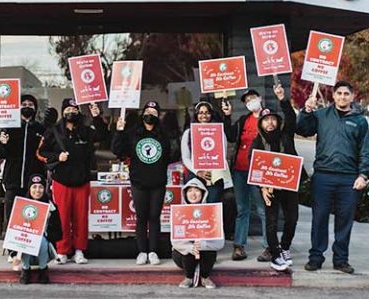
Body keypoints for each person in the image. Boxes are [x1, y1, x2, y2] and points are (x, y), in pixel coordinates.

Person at [296, 80, 369, 274]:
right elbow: (302, 130)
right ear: (333, 95)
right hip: (323, 176)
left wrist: (363, 175)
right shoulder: (321, 116)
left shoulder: (360, 121)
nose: (342, 97)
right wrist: (306, 111)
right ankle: (315, 257)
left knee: (344, 220)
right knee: (319, 218)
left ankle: (341, 259)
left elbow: (365, 150)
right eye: (339, 94)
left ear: (352, 96)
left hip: (349, 178)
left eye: (346, 94)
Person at [37, 98, 107, 265]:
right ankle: (62, 251)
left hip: (82, 181)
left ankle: (79, 250)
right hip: (61, 182)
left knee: (81, 219)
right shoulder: (53, 131)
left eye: (75, 110)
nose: (71, 113)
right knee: (61, 218)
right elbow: (41, 152)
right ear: (63, 112)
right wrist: (57, 157)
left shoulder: (86, 131)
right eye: (68, 110)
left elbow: (103, 135)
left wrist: (97, 117)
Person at [0, 95, 56, 262]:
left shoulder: (40, 128)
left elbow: (47, 150)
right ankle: (12, 251)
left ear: (35, 108)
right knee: (13, 216)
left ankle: (32, 248)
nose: (27, 106)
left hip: (34, 181)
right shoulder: (9, 128)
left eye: (30, 104)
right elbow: (0, 153)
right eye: (24, 104)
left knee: (32, 216)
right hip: (13, 179)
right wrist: (3, 143)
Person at [112, 101, 171, 265]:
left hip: (158, 182)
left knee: (154, 217)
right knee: (141, 217)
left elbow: (170, 155)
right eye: (147, 111)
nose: (150, 114)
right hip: (138, 182)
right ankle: (142, 251)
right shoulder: (133, 133)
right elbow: (117, 150)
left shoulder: (163, 135)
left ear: (158, 116)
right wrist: (119, 131)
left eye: (154, 112)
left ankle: (153, 251)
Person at [251, 83, 301, 272]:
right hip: (269, 189)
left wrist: (282, 99)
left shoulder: (286, 135)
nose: (270, 123)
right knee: (271, 221)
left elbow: (291, 117)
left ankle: (285, 247)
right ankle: (275, 253)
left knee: (292, 219)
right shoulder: (257, 142)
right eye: (266, 120)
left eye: (273, 119)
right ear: (261, 124)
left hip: (289, 184)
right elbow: (253, 167)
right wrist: (262, 188)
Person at [223, 89, 269, 262]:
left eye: (252, 98)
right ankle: (239, 246)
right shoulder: (244, 120)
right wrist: (227, 116)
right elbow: (231, 136)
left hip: (260, 171)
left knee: (263, 210)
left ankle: (268, 246)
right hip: (240, 170)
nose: (250, 101)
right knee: (242, 209)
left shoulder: (268, 118)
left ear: (260, 98)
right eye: (247, 100)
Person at [172, 177, 224, 289]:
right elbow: (175, 241)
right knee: (188, 250)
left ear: (203, 192)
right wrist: (190, 247)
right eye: (190, 191)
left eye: (197, 190)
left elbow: (220, 242)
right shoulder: (179, 212)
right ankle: (189, 277)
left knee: (210, 252)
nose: (193, 194)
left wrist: (204, 245)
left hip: (204, 253)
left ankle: (205, 277)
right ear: (185, 194)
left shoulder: (212, 212)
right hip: (183, 256)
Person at [180, 101, 232, 203]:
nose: (204, 115)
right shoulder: (188, 133)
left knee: (213, 204)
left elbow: (222, 154)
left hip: (215, 175)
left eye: (207, 112)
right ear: (196, 115)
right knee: (197, 206)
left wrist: (211, 169)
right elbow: (186, 158)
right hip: (195, 174)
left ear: (211, 114)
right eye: (201, 113)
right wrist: (198, 171)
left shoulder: (219, 132)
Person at [16, 174, 62, 285]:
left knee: (40, 239)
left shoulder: (51, 207)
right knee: (28, 237)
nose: (38, 190)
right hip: (24, 249)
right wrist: (13, 253)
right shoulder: (21, 206)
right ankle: (26, 269)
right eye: (34, 187)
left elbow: (59, 232)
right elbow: (13, 230)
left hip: (44, 249)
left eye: (40, 187)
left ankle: (43, 269)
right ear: (29, 189)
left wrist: (47, 232)